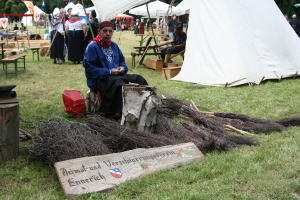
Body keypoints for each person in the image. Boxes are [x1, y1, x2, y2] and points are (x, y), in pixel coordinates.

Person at [83, 21, 148, 119]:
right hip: (99, 79)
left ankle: (143, 108)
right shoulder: (92, 47)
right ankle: (117, 114)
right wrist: (109, 71)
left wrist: (122, 68)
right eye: (105, 31)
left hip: (116, 76)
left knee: (139, 79)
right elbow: (89, 69)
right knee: (119, 84)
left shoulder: (114, 45)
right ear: (99, 31)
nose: (108, 33)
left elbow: (122, 62)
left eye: (110, 31)